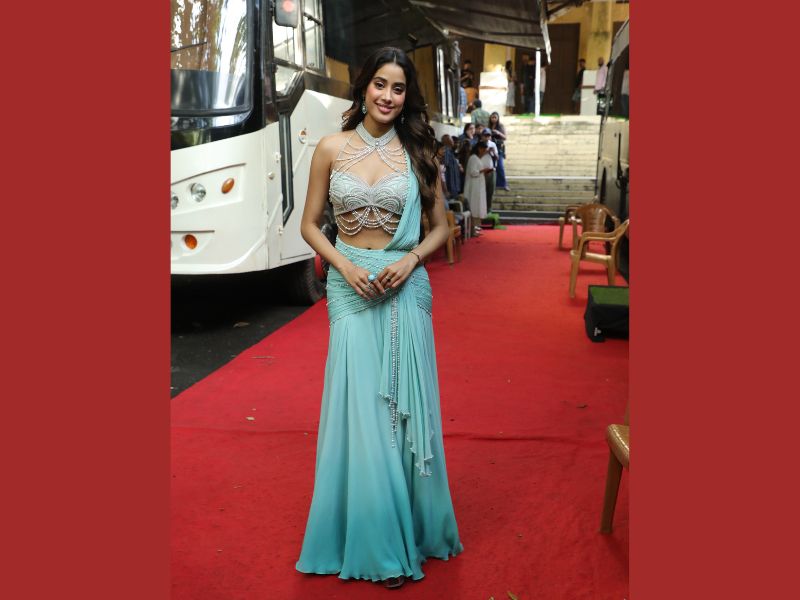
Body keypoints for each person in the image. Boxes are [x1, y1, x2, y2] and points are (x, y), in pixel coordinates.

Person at [296, 46, 464, 589]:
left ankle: (405, 529)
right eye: (380, 85)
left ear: (406, 96)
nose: (388, 96)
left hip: (404, 287)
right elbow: (310, 223)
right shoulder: (330, 147)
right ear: (363, 86)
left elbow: (442, 228)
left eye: (398, 88)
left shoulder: (419, 151)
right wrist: (343, 266)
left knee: (402, 409)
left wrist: (411, 260)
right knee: (362, 408)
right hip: (348, 288)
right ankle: (376, 538)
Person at [463, 141, 493, 234]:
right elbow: (473, 172)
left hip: (478, 185)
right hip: (473, 186)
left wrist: (485, 171)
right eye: (484, 150)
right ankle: (472, 227)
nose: (484, 152)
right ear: (479, 149)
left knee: (477, 204)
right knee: (474, 205)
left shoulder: (477, 158)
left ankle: (475, 226)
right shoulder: (473, 158)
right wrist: (483, 170)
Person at [488, 112, 508, 191]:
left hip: (499, 148)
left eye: (495, 117)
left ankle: (503, 184)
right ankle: (494, 184)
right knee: (492, 166)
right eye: (492, 117)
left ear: (498, 118)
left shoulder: (500, 126)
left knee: (500, 166)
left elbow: (505, 137)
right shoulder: (488, 126)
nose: (493, 119)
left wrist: (498, 133)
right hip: (490, 148)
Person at [479, 130, 497, 213]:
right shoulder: (478, 145)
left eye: (489, 136)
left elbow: (497, 158)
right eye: (485, 136)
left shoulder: (493, 144)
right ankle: (482, 209)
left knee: (490, 191)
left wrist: (493, 152)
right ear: (482, 136)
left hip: (491, 170)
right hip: (481, 171)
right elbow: (476, 157)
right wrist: (486, 151)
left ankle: (489, 209)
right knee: (482, 191)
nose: (487, 138)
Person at [441, 134, 463, 200]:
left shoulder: (450, 152)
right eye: (451, 139)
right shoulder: (446, 151)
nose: (453, 141)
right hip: (450, 185)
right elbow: (444, 168)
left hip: (453, 185)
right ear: (447, 141)